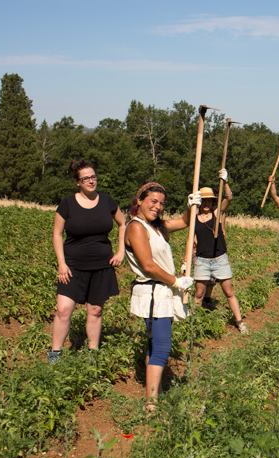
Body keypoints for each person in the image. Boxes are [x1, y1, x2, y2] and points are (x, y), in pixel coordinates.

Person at [125, 182, 198, 411]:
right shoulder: (137, 227)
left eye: (161, 203)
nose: (157, 207)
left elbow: (186, 222)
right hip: (154, 293)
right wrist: (176, 281)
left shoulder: (158, 226)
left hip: (161, 290)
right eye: (153, 201)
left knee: (156, 344)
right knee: (163, 346)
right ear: (140, 200)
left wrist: (191, 206)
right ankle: (152, 403)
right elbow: (148, 265)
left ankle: (152, 396)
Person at [50, 160, 126, 362]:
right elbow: (57, 234)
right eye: (86, 178)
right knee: (63, 309)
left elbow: (123, 223)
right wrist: (61, 263)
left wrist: (121, 251)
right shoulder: (67, 203)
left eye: (93, 177)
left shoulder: (107, 201)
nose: (91, 181)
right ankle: (54, 355)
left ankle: (92, 355)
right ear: (78, 182)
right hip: (73, 265)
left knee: (95, 310)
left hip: (101, 264)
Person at [192, 173, 248, 334]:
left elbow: (229, 197)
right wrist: (187, 259)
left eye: (210, 200)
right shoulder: (194, 219)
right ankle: (192, 325)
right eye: (204, 200)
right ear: (200, 202)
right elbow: (192, 242)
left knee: (229, 292)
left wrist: (225, 181)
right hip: (202, 260)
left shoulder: (217, 214)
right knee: (199, 294)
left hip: (219, 259)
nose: (207, 203)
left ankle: (240, 322)